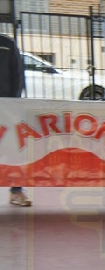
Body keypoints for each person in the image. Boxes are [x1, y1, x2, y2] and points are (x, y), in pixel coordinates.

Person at [1, 33, 31, 207]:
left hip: (6, 106)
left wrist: (13, 103)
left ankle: (16, 190)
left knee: (13, 149)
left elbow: (18, 75)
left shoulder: (7, 43)